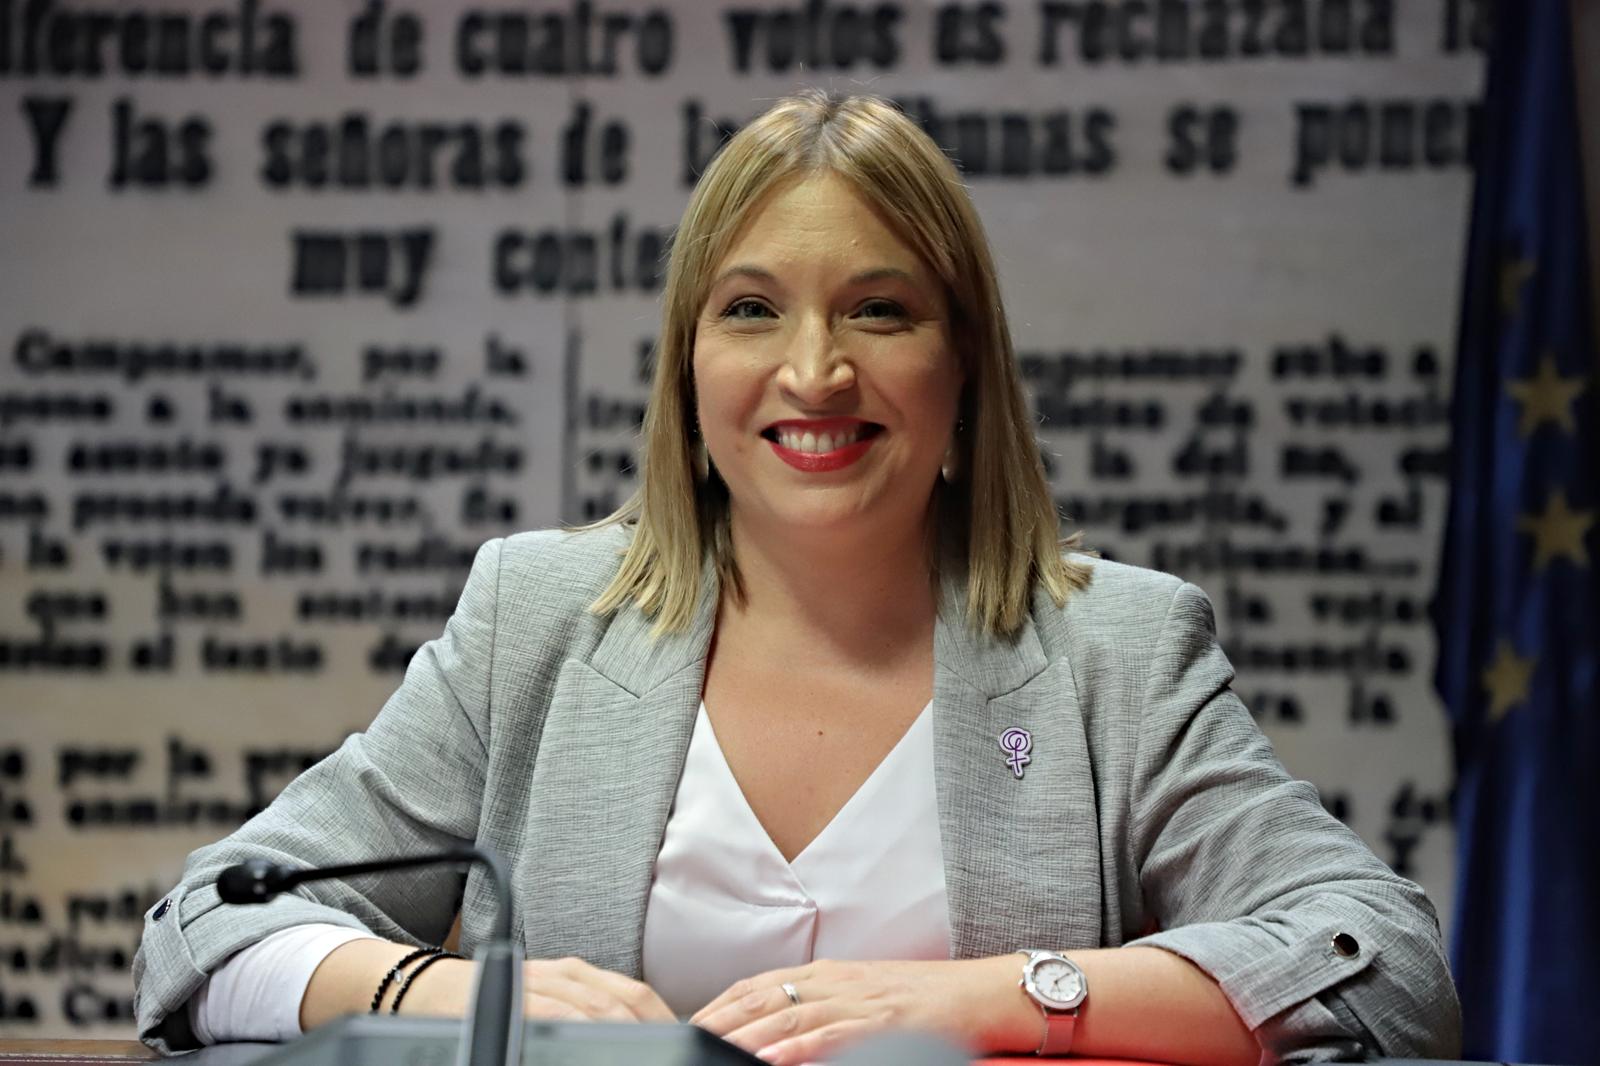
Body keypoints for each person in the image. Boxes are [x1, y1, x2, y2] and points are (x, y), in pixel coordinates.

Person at [133, 90, 1461, 1063]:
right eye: (752, 309)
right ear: (687, 367)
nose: (815, 371)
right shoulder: (532, 618)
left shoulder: (1117, 649)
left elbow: (1387, 968)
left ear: (963, 367)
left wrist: (991, 999)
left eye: (880, 309)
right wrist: (468, 996)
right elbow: (200, 934)